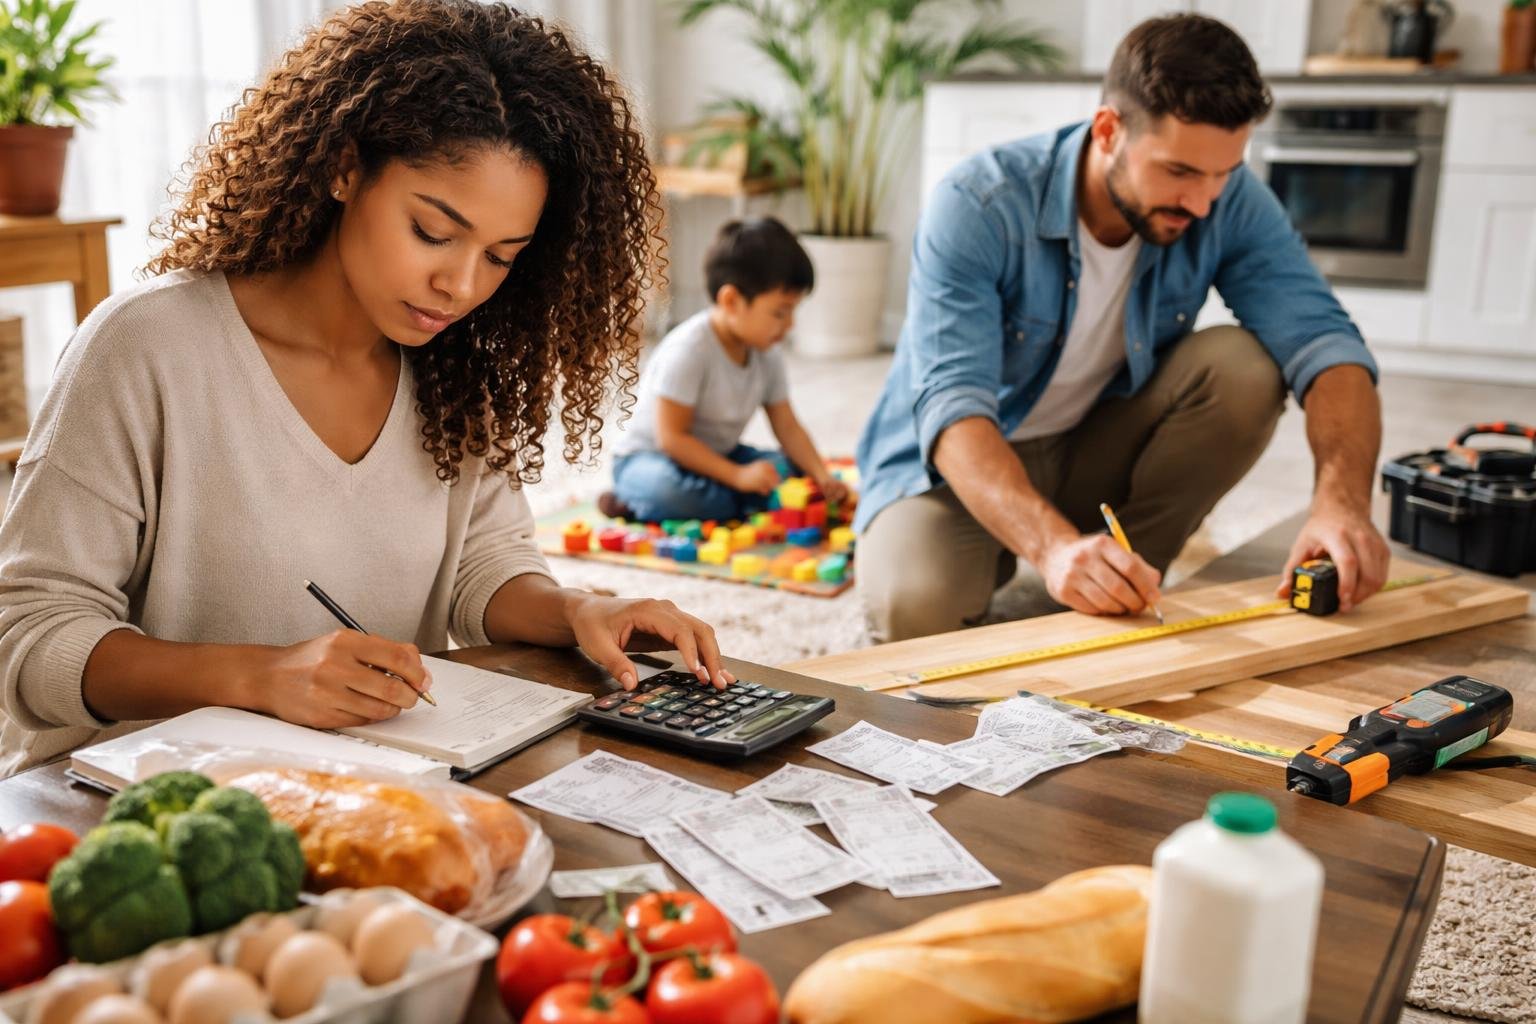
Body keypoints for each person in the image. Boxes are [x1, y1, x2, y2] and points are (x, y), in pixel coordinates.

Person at [0, 0, 734, 777]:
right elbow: (31, 636)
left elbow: (483, 568)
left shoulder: (452, 374)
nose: (459, 285)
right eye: (433, 232)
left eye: (501, 256)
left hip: (371, 789)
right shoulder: (145, 348)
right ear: (345, 167)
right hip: (150, 810)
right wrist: (259, 678)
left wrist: (581, 610)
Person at [855, 14, 1392, 643]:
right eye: (1180, 173)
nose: (1203, 202)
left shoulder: (1224, 197)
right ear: (1109, 130)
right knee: (911, 611)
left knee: (1245, 365)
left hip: (1091, 443)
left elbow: (1328, 345)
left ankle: (1125, 573)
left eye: (1223, 174)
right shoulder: (979, 204)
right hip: (957, 468)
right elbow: (952, 409)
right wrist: (1052, 547)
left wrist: (1342, 502)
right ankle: (1062, 562)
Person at [601, 217, 849, 523]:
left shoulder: (766, 351)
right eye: (779, 313)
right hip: (652, 459)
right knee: (672, 493)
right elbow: (672, 439)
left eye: (793, 312)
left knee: (787, 469)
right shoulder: (689, 350)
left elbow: (787, 426)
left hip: (718, 456)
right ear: (731, 301)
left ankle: (727, 497)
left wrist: (821, 475)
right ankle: (632, 499)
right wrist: (738, 476)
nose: (790, 325)